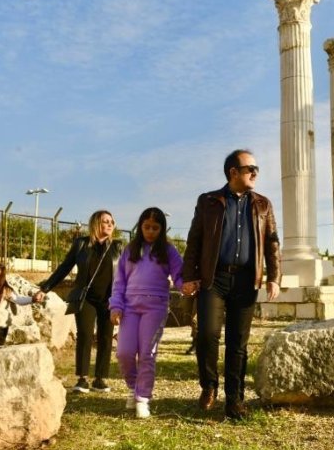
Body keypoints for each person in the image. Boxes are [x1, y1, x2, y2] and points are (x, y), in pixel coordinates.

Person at [182, 149, 281, 421]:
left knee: (238, 343)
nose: (256, 173)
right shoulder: (209, 201)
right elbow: (195, 240)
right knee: (207, 335)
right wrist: (188, 275)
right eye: (251, 168)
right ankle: (209, 385)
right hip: (214, 279)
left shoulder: (263, 204)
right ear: (233, 172)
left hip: (246, 281)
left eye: (256, 169)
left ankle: (235, 399)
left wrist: (274, 277)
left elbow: (272, 242)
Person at [109, 208, 184, 419]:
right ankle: (133, 387)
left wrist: (186, 286)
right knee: (124, 352)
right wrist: (116, 306)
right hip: (129, 307)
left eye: (155, 228)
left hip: (156, 307)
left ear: (162, 229)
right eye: (147, 227)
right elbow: (119, 281)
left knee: (146, 354)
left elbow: (179, 276)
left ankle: (143, 398)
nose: (150, 231)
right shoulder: (130, 250)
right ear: (140, 226)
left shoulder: (168, 251)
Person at [37, 210, 121, 393]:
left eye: (112, 222)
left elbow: (126, 275)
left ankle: (101, 379)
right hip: (85, 298)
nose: (109, 224)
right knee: (84, 335)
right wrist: (45, 288)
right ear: (96, 224)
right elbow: (64, 268)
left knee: (106, 338)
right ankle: (82, 378)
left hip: (110, 299)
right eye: (105, 221)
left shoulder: (117, 247)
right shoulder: (81, 245)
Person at [0, 262, 41, 346]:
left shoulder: (5, 291)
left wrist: (32, 299)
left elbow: (18, 300)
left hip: (1, 325)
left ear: (0, 279)